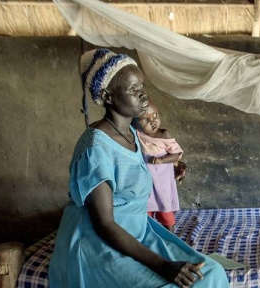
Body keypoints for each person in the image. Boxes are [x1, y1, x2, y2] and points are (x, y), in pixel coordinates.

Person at [48, 48, 229, 288]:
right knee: (183, 284)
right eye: (133, 90)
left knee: (212, 272)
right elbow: (105, 224)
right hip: (98, 243)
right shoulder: (96, 148)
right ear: (108, 96)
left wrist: (171, 167)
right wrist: (163, 266)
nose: (143, 96)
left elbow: (134, 171)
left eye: (141, 87)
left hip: (136, 231)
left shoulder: (131, 133)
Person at [134, 97, 185, 232]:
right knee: (146, 210)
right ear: (134, 122)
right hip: (145, 180)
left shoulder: (163, 134)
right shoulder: (136, 134)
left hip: (162, 180)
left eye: (155, 115)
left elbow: (176, 154)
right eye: (145, 119)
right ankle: (149, 236)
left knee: (165, 210)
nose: (153, 121)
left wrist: (161, 160)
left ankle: (171, 236)